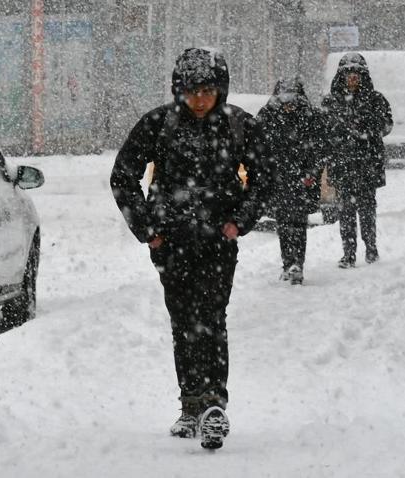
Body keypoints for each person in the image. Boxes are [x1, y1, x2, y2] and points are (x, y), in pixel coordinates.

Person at [109, 47, 272, 449]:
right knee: (184, 323)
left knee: (212, 318)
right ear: (179, 90)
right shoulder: (158, 124)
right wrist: (149, 229)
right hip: (172, 243)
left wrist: (240, 221)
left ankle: (214, 404)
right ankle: (190, 404)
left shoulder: (238, 126)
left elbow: (265, 176)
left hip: (218, 242)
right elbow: (123, 176)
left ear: (220, 90)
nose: (200, 98)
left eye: (208, 90)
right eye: (192, 90)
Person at [321, 52, 393, 268]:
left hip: (367, 165)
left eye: (356, 75)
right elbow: (323, 132)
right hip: (342, 166)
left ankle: (371, 249)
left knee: (367, 209)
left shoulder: (376, 99)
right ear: (341, 76)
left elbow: (387, 126)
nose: (353, 79)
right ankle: (349, 253)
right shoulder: (331, 101)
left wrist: (367, 130)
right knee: (345, 212)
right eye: (349, 74)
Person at [257, 78, 324, 285]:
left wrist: (311, 173)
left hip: (301, 180)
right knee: (284, 224)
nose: (288, 104)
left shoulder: (309, 116)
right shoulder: (267, 115)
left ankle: (297, 264)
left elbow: (319, 148)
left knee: (298, 223)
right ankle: (288, 263)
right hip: (279, 178)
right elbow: (258, 145)